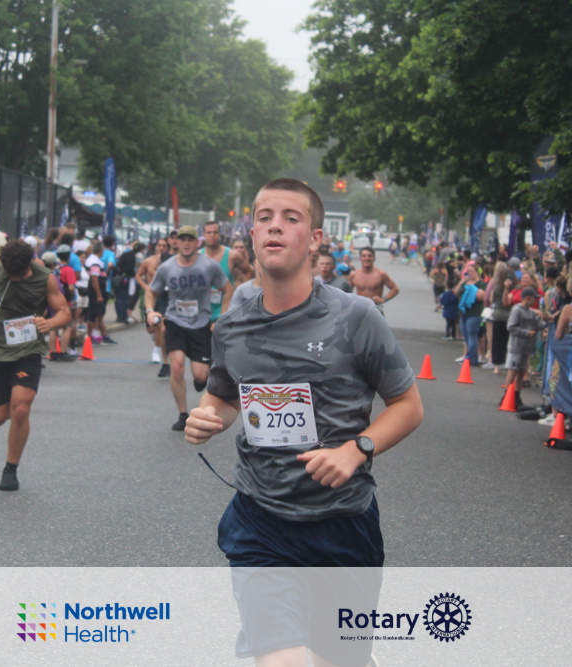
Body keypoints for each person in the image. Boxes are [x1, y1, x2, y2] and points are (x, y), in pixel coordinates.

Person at [185, 178, 422, 666]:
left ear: (315, 239)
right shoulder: (231, 327)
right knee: (282, 658)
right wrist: (207, 418)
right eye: (264, 217)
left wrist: (356, 450)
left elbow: (408, 406)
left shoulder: (357, 317)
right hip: (261, 518)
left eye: (290, 218)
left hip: (343, 522)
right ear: (252, 234)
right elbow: (223, 397)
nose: (275, 226)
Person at [0, 239, 71, 491]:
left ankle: (10, 469)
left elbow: (64, 311)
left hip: (28, 350)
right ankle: (4, 405)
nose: (15, 278)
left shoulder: (45, 277)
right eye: (11, 274)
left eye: (20, 274)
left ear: (30, 263)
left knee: (21, 408)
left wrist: (50, 323)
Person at [145, 225, 231, 431]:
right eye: (182, 239)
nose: (185, 243)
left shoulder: (209, 266)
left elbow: (227, 290)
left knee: (201, 376)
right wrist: (149, 311)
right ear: (176, 242)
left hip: (201, 324)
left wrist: (222, 317)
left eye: (189, 239)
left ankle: (200, 380)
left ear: (197, 242)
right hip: (175, 322)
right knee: (176, 367)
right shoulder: (167, 267)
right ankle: (183, 414)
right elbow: (151, 292)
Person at [504, 287, 547, 407]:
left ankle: (517, 396)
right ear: (527, 298)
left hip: (526, 347)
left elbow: (539, 324)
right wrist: (526, 333)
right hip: (516, 346)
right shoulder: (517, 310)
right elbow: (511, 326)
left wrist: (547, 320)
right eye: (534, 299)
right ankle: (507, 396)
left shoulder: (531, 312)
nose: (535, 301)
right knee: (513, 370)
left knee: (522, 372)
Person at [201, 220, 252, 322]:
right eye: (209, 232)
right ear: (204, 235)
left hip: (226, 312)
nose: (212, 235)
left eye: (215, 232)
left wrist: (244, 295)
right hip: (202, 314)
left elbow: (248, 271)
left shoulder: (232, 255)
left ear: (219, 234)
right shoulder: (197, 256)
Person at [137, 238, 172, 373]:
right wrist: (146, 287)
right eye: (159, 245)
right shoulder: (148, 261)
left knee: (160, 326)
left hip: (164, 298)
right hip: (151, 297)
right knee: (151, 329)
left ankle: (157, 351)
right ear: (156, 246)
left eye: (164, 245)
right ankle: (157, 337)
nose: (161, 247)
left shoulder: (171, 261)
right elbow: (138, 275)